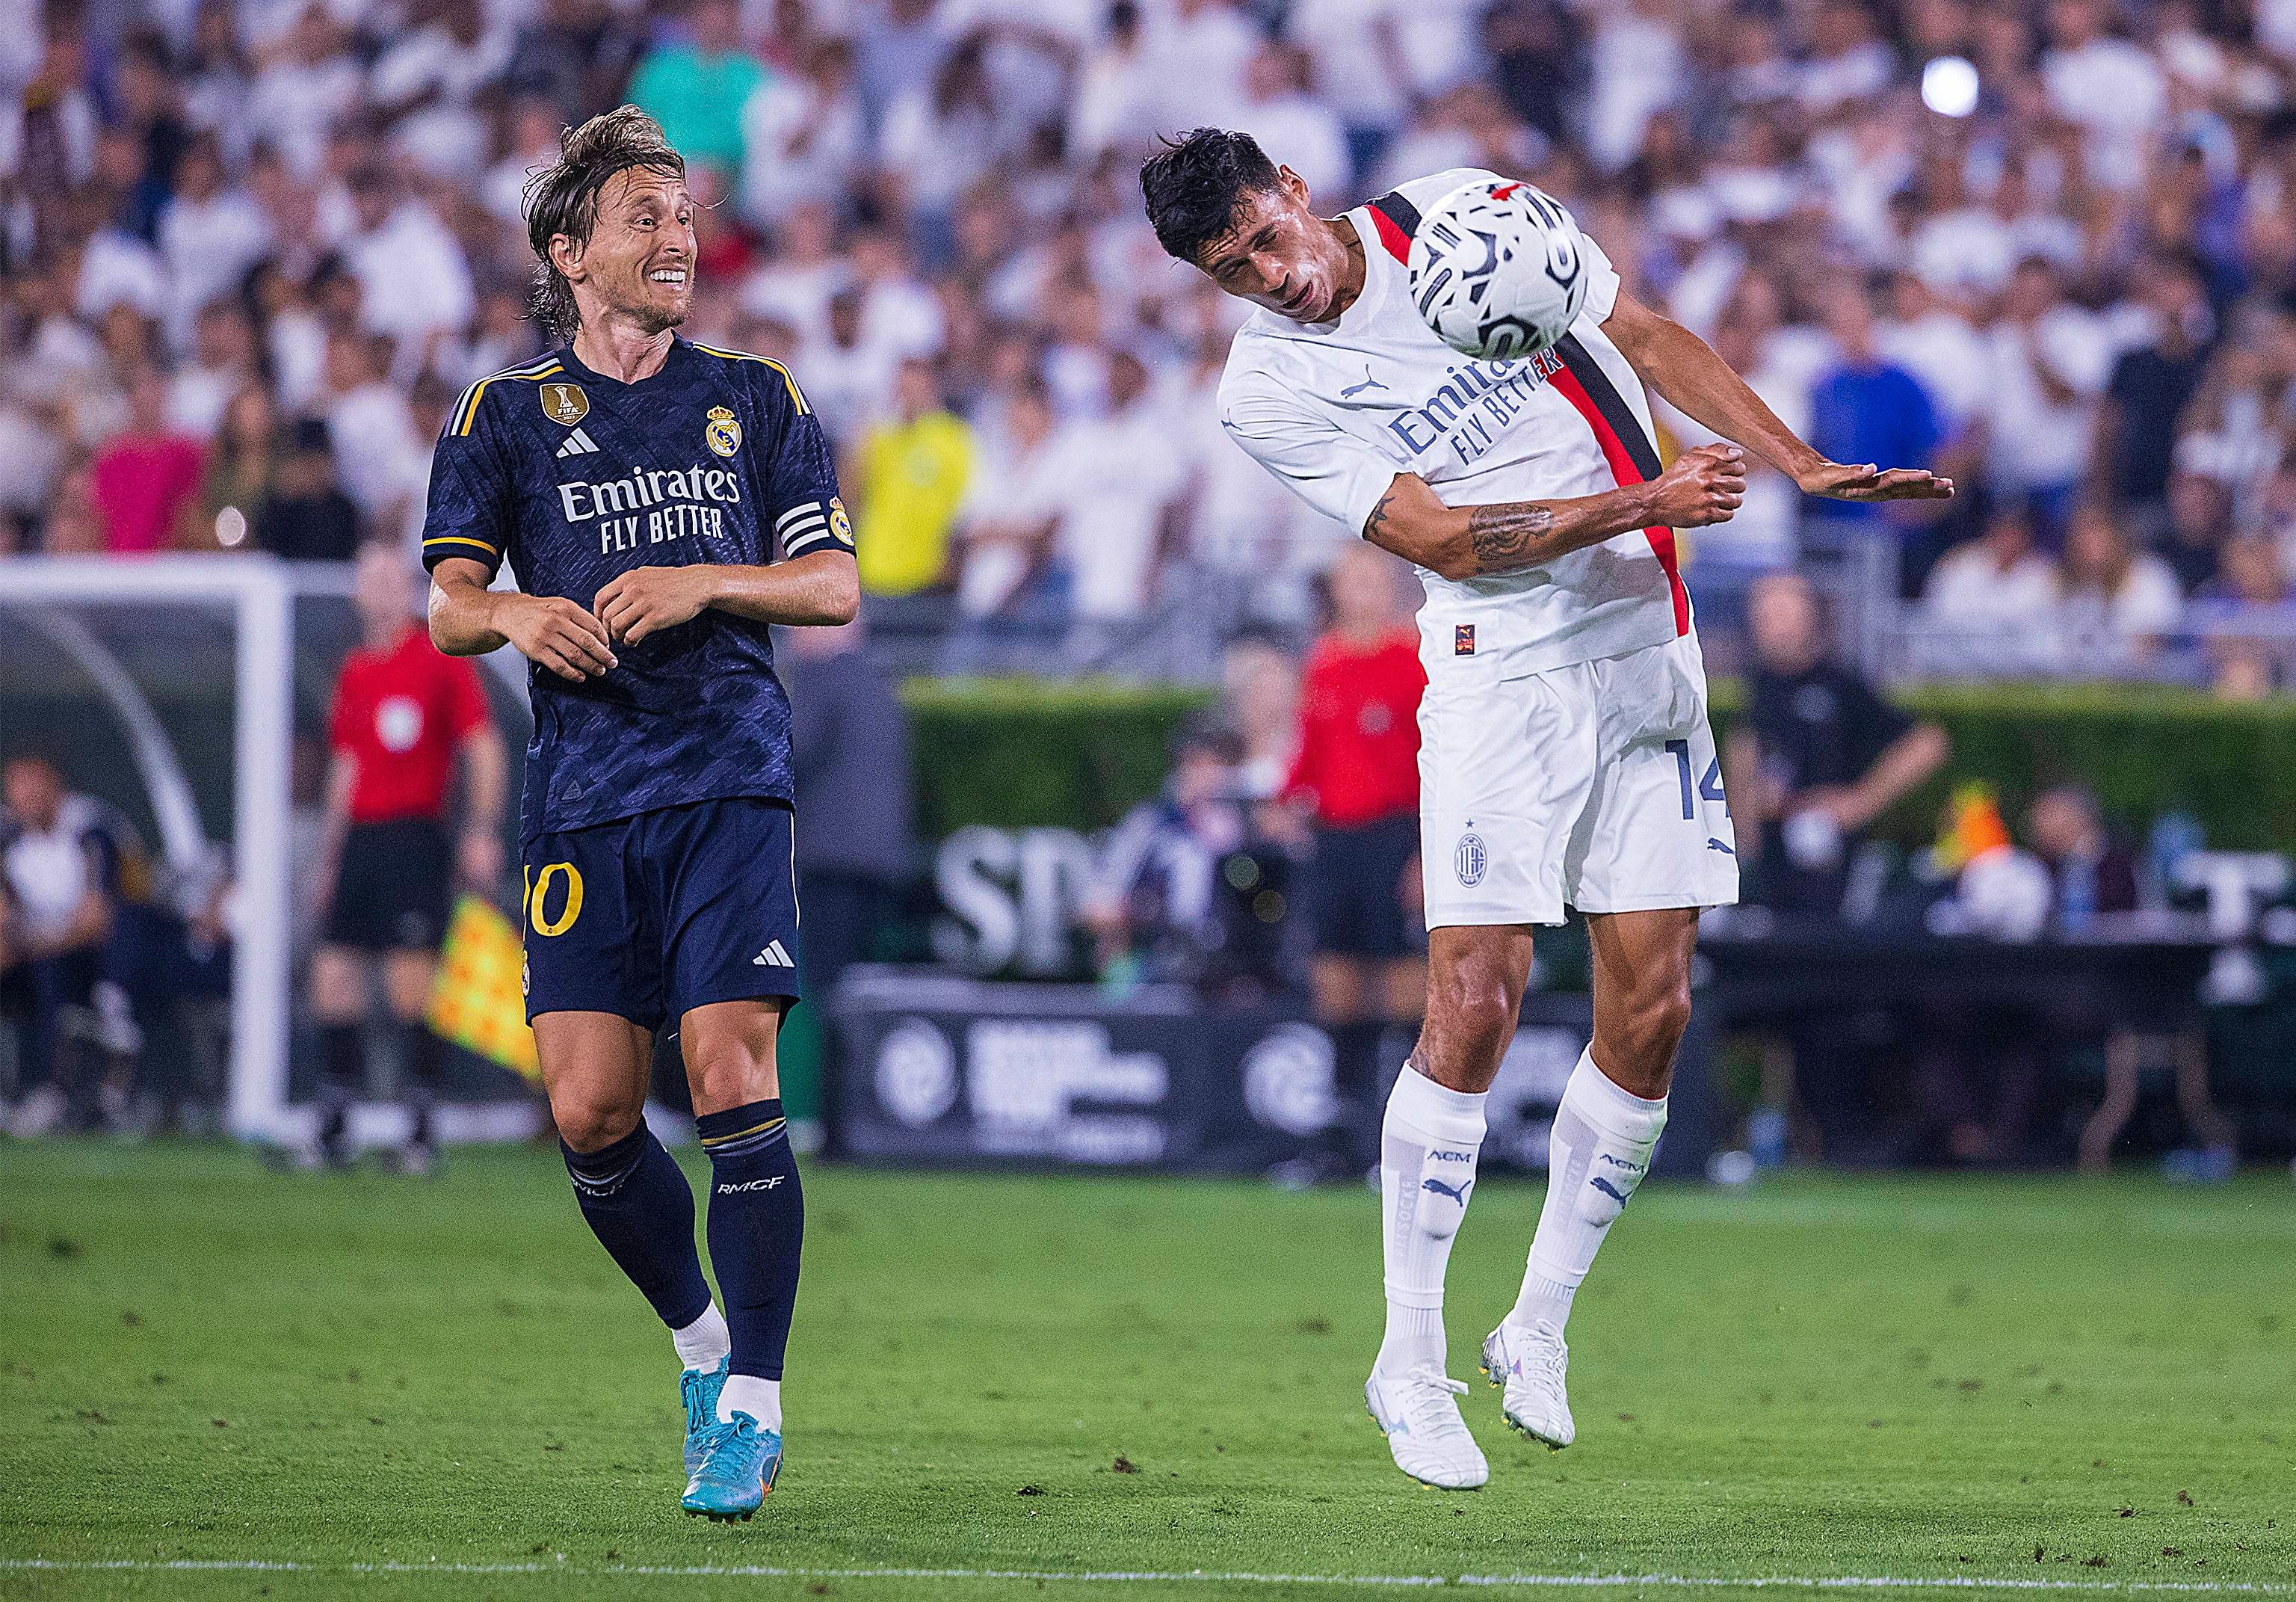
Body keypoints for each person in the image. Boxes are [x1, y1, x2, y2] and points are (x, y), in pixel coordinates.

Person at [1143, 131, 1951, 1490]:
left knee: (1656, 1007)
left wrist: (1801, 463)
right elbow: (1442, 542)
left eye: (1264, 240)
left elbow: (1643, 332)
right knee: (1476, 999)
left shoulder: (1464, 218)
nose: (1268, 277)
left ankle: (1536, 1323)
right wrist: (1648, 496)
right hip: (1495, 670)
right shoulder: (1266, 388)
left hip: (1647, 644)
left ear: (1293, 190)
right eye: (1232, 273)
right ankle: (1408, 1359)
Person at [422, 106, 857, 1522]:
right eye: (644, 219)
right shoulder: (499, 414)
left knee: (729, 1071)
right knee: (591, 1110)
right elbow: (447, 606)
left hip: (728, 777)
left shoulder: (759, 394)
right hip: (583, 798)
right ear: (572, 251)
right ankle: (702, 1344)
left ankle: (757, 1407)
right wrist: (514, 611)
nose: (677, 239)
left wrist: (705, 579)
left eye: (683, 218)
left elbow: (833, 585)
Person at [300, 542, 506, 1175]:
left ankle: (419, 1131)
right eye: (372, 579)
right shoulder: (355, 670)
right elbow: (346, 765)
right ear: (358, 593)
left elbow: (482, 745)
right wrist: (330, 857)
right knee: (333, 974)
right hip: (361, 840)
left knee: (410, 982)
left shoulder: (439, 656)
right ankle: (335, 1127)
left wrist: (481, 828)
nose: (383, 590)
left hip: (416, 835)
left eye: (392, 579)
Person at [1277, 542, 1426, 1186]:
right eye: (1350, 579)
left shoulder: (1412, 661)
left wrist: (1424, 854)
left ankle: (1403, 1144)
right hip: (1334, 840)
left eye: (1371, 578)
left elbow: (1433, 762)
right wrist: (1287, 800)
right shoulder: (1324, 661)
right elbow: (1310, 754)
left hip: (1395, 837)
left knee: (1403, 989)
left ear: (1390, 586)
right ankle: (1340, 1144)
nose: (1360, 590)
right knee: (1336, 984)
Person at [1731, 571, 1950, 914]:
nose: (1769, 621)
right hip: (1769, 868)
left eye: (1781, 609)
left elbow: (1928, 743)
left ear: (1809, 616)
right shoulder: (1757, 689)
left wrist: (1861, 800)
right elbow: (1746, 757)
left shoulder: (1839, 685)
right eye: (1762, 611)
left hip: (1833, 861)